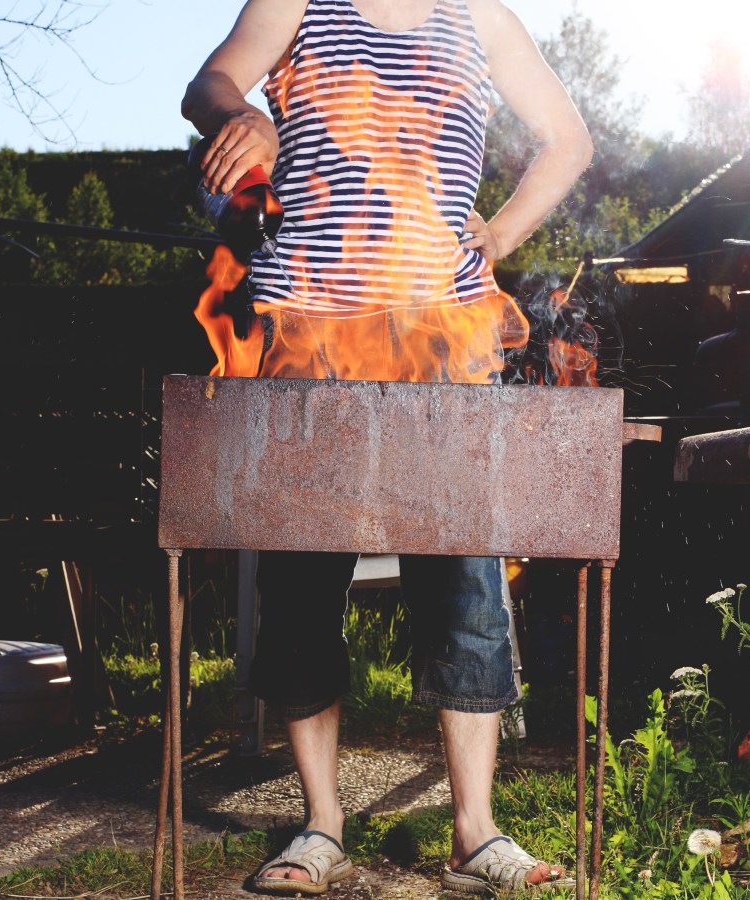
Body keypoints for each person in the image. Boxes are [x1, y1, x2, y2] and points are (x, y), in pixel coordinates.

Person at [182, 0, 592, 894]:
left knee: (469, 588)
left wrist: (500, 235)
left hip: (443, 339)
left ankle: (475, 832)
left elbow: (568, 139)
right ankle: (321, 824)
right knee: (299, 585)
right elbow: (207, 82)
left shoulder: (480, 15)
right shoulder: (299, 4)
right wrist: (237, 112)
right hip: (307, 334)